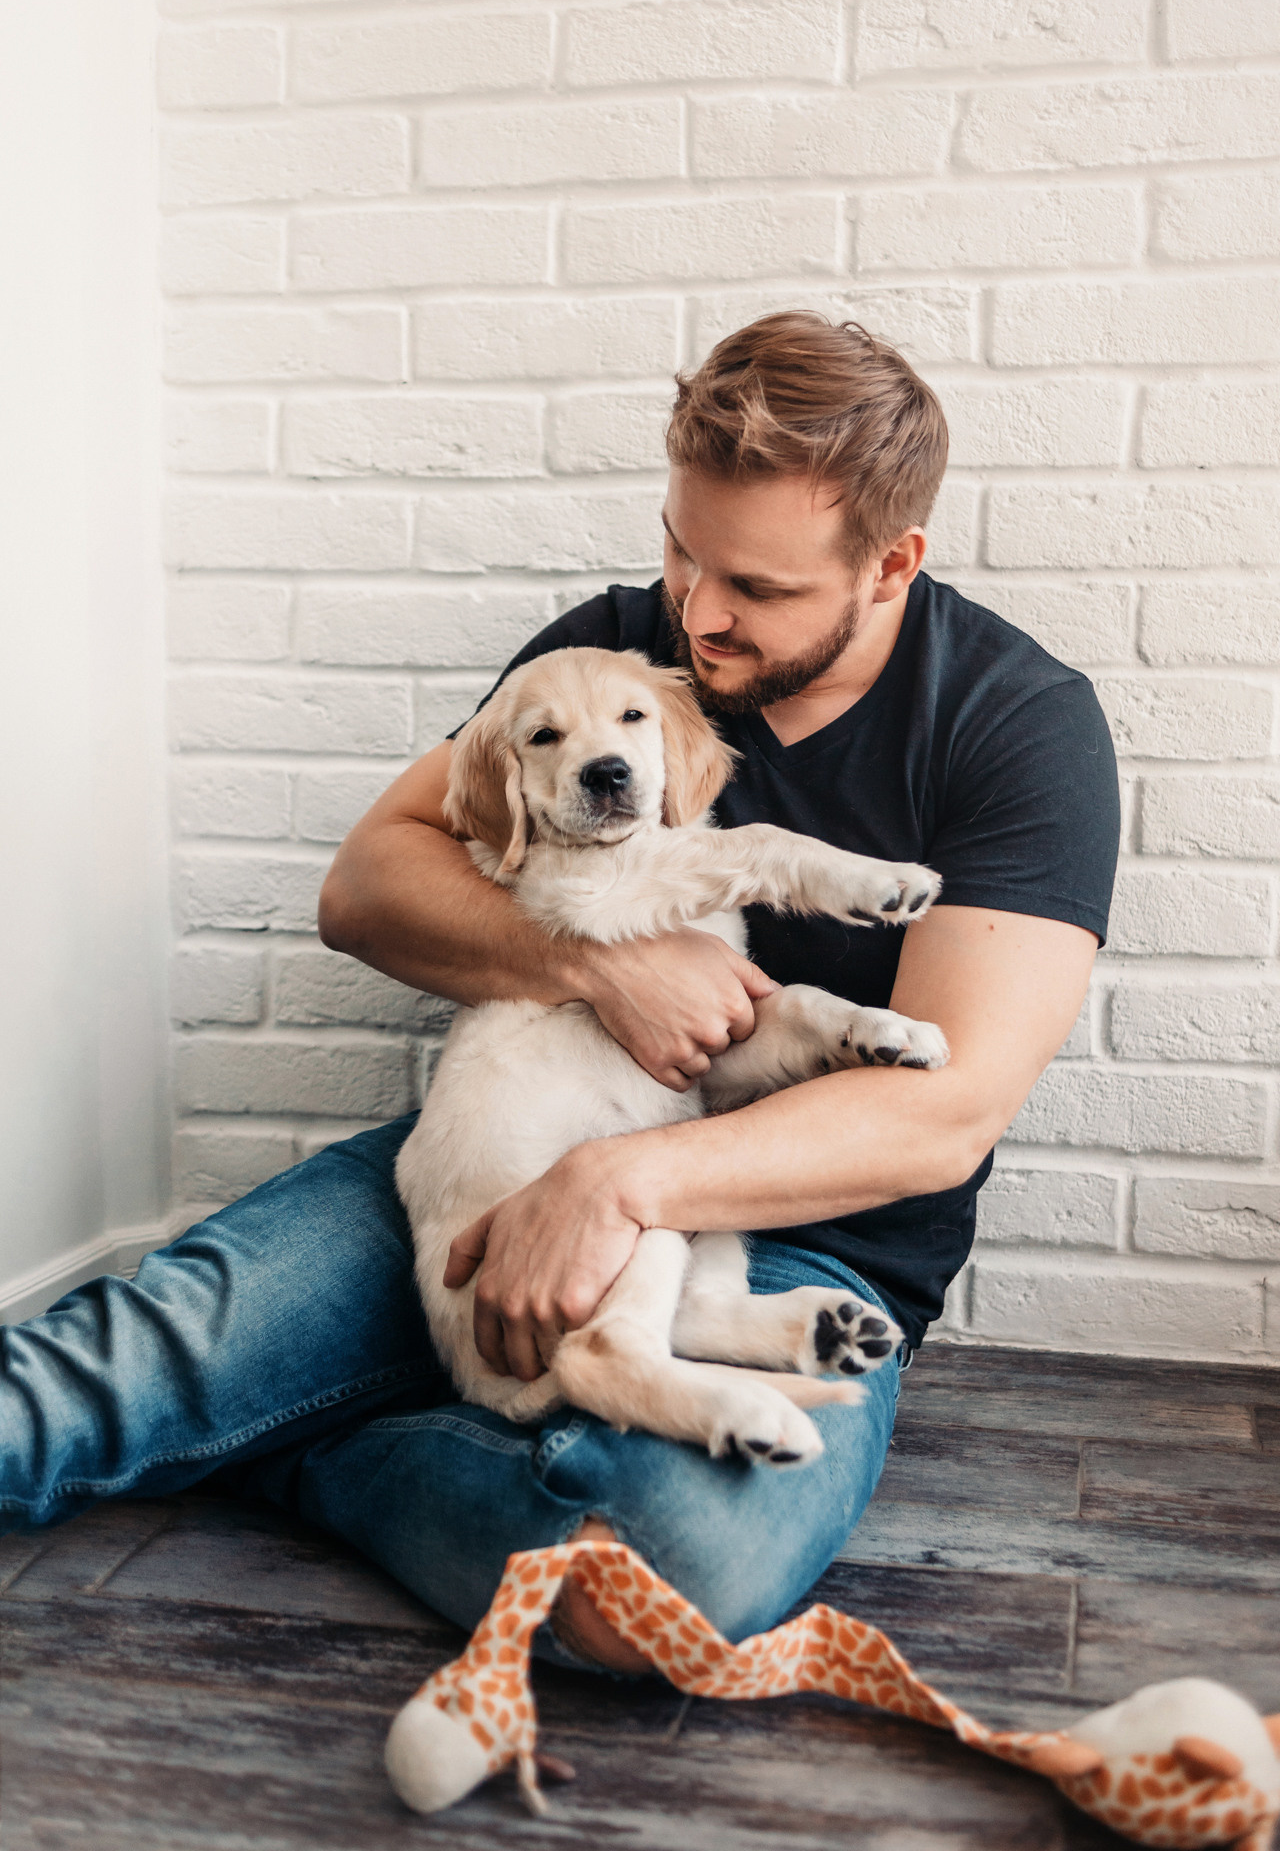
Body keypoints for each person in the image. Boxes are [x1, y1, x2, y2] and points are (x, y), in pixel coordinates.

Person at [0, 314, 1119, 1675]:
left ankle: (294, 1453)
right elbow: (368, 883)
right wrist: (600, 963)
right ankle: (254, 1405)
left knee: (658, 1583)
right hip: (500, 1148)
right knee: (127, 1362)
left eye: (754, 586)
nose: (696, 612)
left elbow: (947, 1111)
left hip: (792, 1249)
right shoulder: (609, 653)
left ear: (891, 565)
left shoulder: (1015, 723)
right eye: (681, 551)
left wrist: (618, 1187)